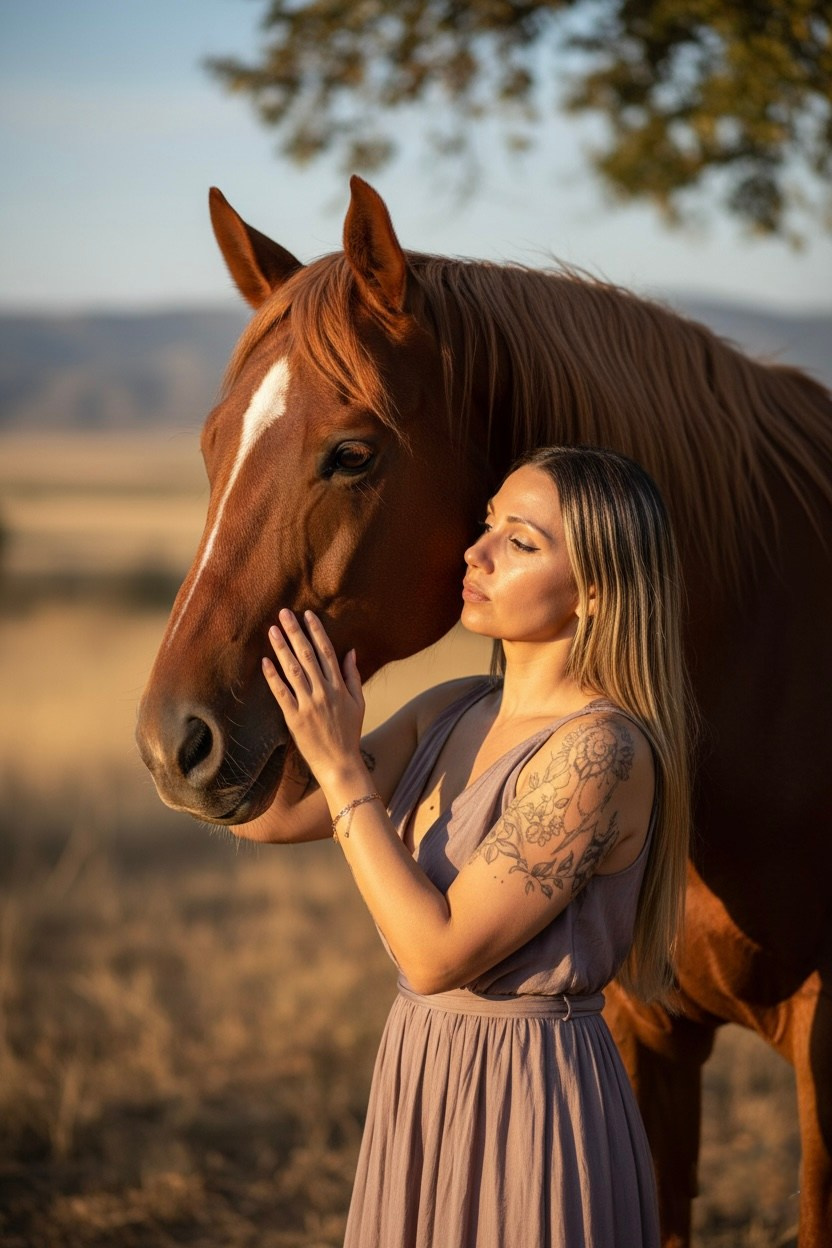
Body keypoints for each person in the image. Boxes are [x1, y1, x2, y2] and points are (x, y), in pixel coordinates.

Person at [243, 445, 691, 1248]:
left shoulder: (602, 752)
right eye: (488, 527)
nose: (475, 553)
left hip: (534, 1100)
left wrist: (342, 762)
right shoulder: (453, 708)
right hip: (423, 1073)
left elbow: (435, 954)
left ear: (594, 591)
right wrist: (250, 651)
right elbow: (268, 817)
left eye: (520, 543)